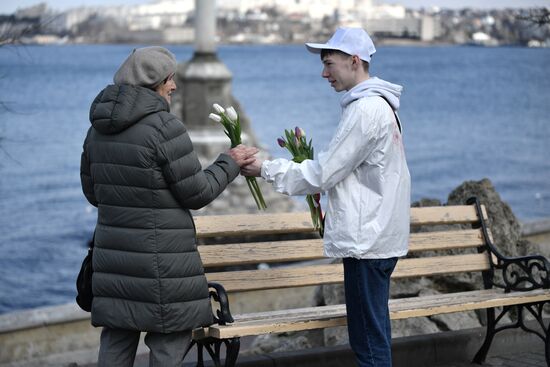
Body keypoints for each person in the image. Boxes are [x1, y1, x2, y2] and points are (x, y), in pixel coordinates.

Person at [241, 27, 410, 367]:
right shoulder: (381, 107)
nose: (324, 73)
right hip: (381, 237)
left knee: (368, 343)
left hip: (368, 241)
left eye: (329, 64)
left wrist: (265, 168)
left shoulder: (365, 111)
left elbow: (323, 174)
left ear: (354, 61)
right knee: (374, 334)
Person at [80, 46, 258, 367]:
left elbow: (94, 194)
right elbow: (197, 193)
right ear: (156, 84)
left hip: (114, 267)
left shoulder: (96, 131)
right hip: (163, 268)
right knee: (168, 343)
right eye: (169, 79)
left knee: (116, 343)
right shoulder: (165, 128)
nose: (174, 86)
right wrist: (228, 163)